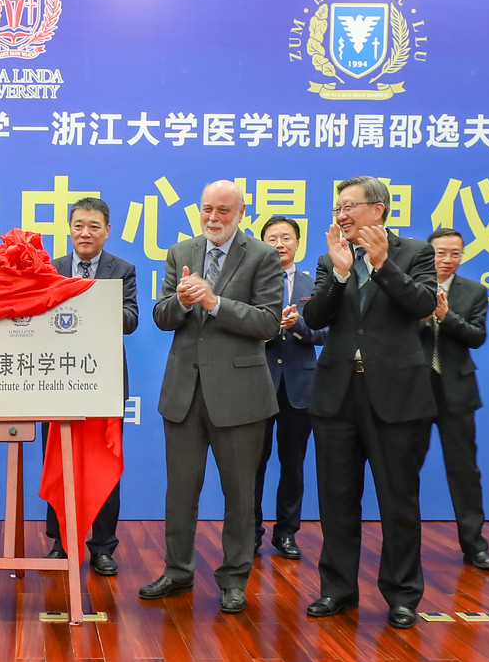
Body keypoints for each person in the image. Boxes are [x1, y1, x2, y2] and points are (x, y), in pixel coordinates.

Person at [300, 177, 439, 627]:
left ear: (377, 210)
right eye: (338, 206)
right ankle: (337, 589)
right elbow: (314, 317)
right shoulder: (329, 259)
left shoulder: (415, 252)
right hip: (337, 393)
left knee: (398, 498)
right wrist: (340, 274)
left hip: (396, 395)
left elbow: (422, 305)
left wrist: (381, 265)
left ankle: (402, 595)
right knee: (337, 498)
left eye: (350, 205)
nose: (341, 214)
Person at [144, 179, 282, 614]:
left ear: (242, 213)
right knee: (180, 491)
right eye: (207, 210)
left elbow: (268, 322)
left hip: (240, 395)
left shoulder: (261, 255)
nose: (213, 219)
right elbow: (161, 316)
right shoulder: (181, 253)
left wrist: (216, 302)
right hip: (184, 392)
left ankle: (234, 579)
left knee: (240, 493)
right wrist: (183, 302)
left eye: (224, 211)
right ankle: (177, 571)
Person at [47, 196, 138, 575]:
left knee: (104, 462)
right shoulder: (53, 268)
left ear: (107, 231)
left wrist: (89, 303)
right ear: (70, 228)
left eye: (94, 226)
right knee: (58, 462)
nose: (85, 232)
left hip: (103, 379)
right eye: (79, 225)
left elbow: (130, 319)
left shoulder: (122, 269)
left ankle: (102, 546)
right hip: (55, 378)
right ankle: (60, 542)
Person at [419, 226, 489, 571]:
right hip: (413, 391)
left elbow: (477, 337)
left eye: (455, 253)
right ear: (426, 253)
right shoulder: (410, 287)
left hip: (457, 392)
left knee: (464, 471)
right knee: (404, 472)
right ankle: (405, 546)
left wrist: (446, 317)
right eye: (440, 252)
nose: (448, 260)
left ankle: (475, 545)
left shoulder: (474, 291)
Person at [256, 216, 325, 562]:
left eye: (286, 237)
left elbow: (327, 333)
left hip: (300, 387)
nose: (279, 243)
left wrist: (299, 326)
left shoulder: (315, 284)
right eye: (272, 238)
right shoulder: (252, 283)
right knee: (253, 463)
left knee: (293, 464)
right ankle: (250, 531)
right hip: (258, 384)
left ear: (298, 243)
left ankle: (286, 533)